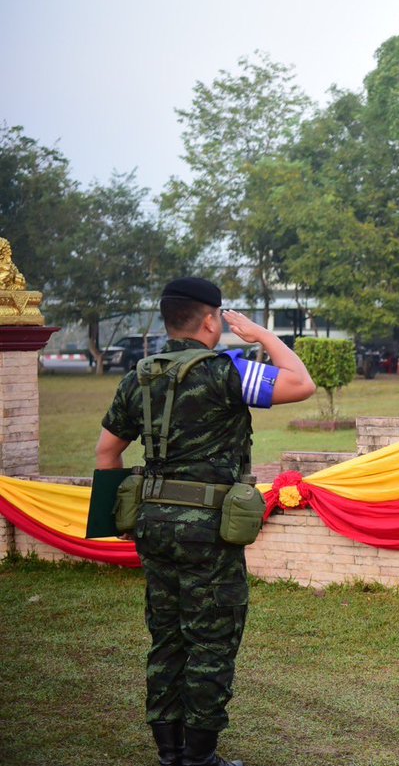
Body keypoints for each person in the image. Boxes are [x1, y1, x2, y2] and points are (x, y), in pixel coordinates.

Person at [95, 277, 315, 766]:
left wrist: (121, 520)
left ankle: (169, 752)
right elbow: (301, 383)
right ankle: (201, 757)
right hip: (209, 531)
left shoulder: (140, 376)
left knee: (167, 637)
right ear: (212, 320)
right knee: (210, 641)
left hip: (153, 525)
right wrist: (264, 336)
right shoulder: (225, 373)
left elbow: (108, 452)